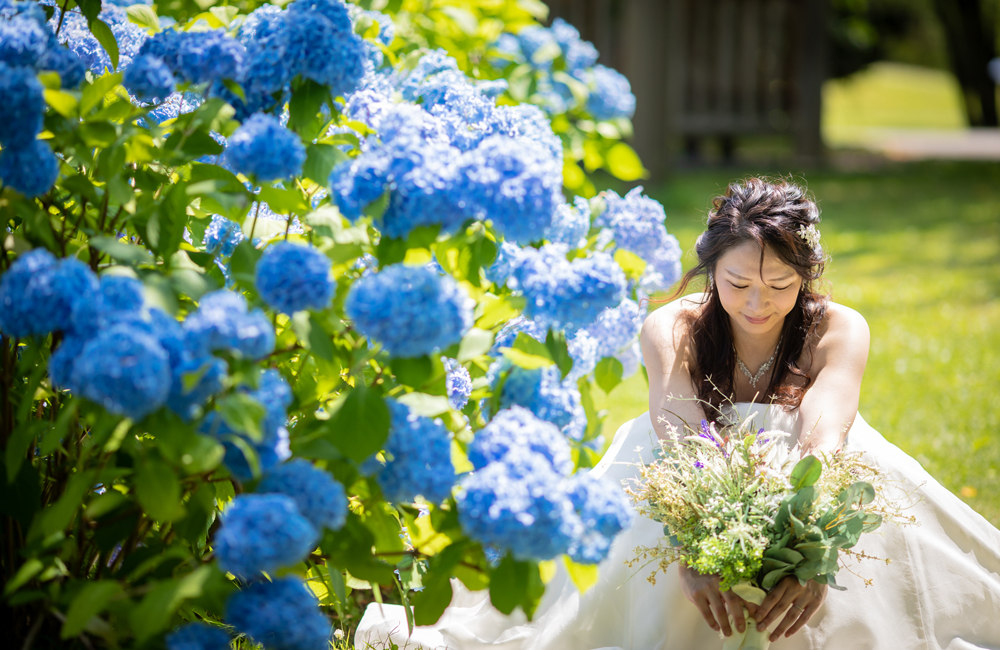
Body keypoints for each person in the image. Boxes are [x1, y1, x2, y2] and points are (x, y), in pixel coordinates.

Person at [355, 178, 1000, 649]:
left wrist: (815, 552)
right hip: (684, 468)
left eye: (779, 286)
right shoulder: (674, 326)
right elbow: (679, 429)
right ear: (709, 269)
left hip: (809, 473)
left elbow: (823, 433)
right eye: (737, 283)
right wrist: (692, 547)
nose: (756, 304)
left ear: (806, 277)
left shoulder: (839, 327)